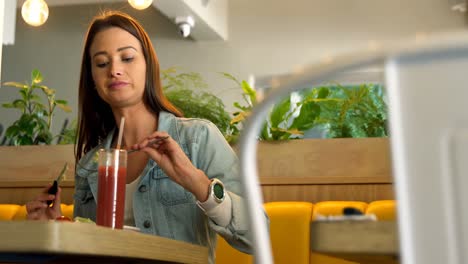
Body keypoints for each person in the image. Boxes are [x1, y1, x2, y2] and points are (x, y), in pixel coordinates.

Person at [25, 10, 267, 263]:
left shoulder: (198, 139)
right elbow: (89, 251)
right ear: (93, 79)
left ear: (148, 66)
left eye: (127, 57)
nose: (115, 70)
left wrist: (198, 184)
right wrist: (55, 229)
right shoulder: (89, 166)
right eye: (102, 63)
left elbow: (258, 234)